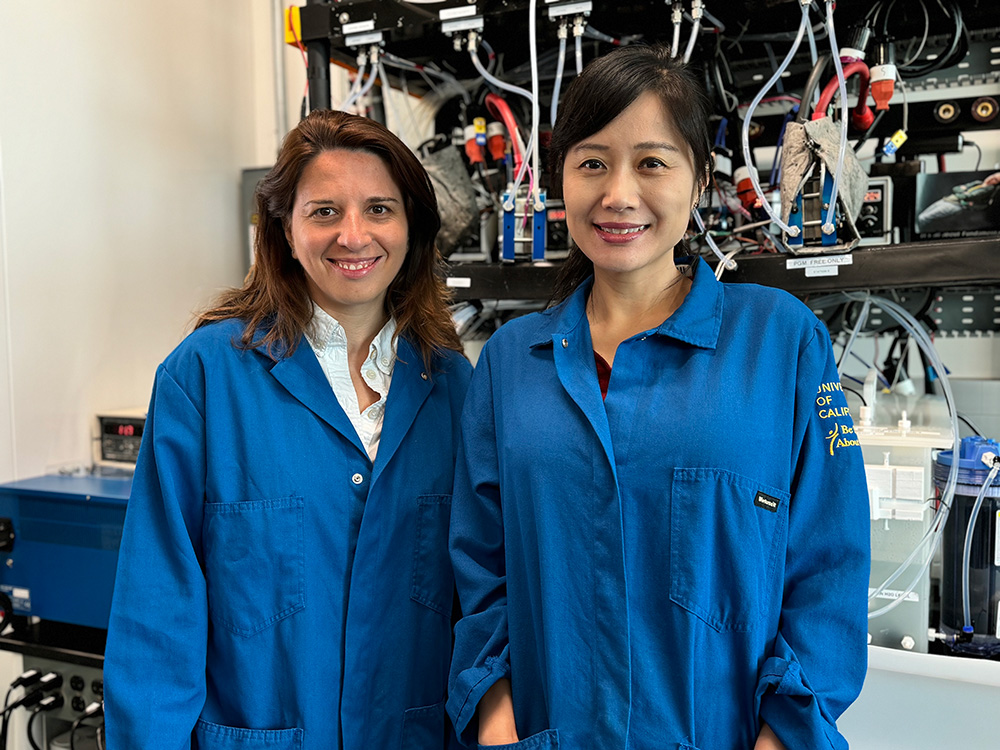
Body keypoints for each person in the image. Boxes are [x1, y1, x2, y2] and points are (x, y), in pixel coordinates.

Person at [448, 45, 870, 750]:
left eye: (652, 162)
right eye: (592, 163)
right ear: (559, 181)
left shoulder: (781, 342)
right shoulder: (508, 364)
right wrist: (499, 728)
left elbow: (829, 568)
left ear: (700, 177)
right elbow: (479, 573)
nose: (618, 194)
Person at [104, 109, 472, 750]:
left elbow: (479, 604)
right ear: (285, 228)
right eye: (324, 211)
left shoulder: (455, 390)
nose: (353, 236)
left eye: (379, 209)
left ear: (412, 227)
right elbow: (156, 618)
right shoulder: (206, 379)